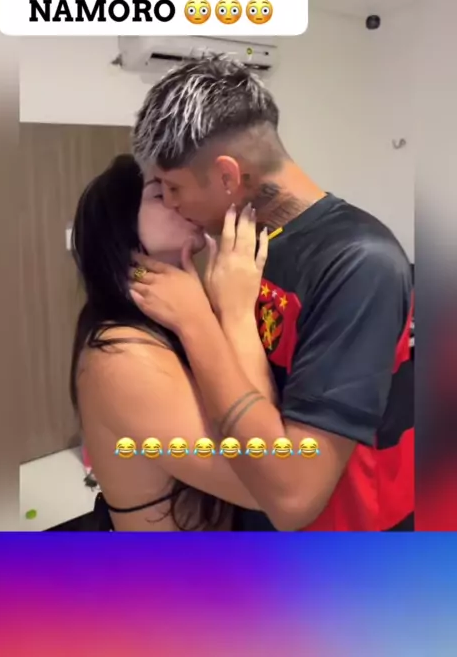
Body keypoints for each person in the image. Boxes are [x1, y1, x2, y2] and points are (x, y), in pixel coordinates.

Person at [130, 53, 415, 531]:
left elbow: (294, 497)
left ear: (227, 176)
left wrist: (199, 320)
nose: (172, 203)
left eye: (173, 187)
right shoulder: (237, 245)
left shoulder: (358, 262)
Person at [70, 154, 273, 531]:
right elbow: (269, 485)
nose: (181, 200)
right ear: (119, 226)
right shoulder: (122, 355)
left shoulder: (178, 316)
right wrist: (236, 314)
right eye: (159, 194)